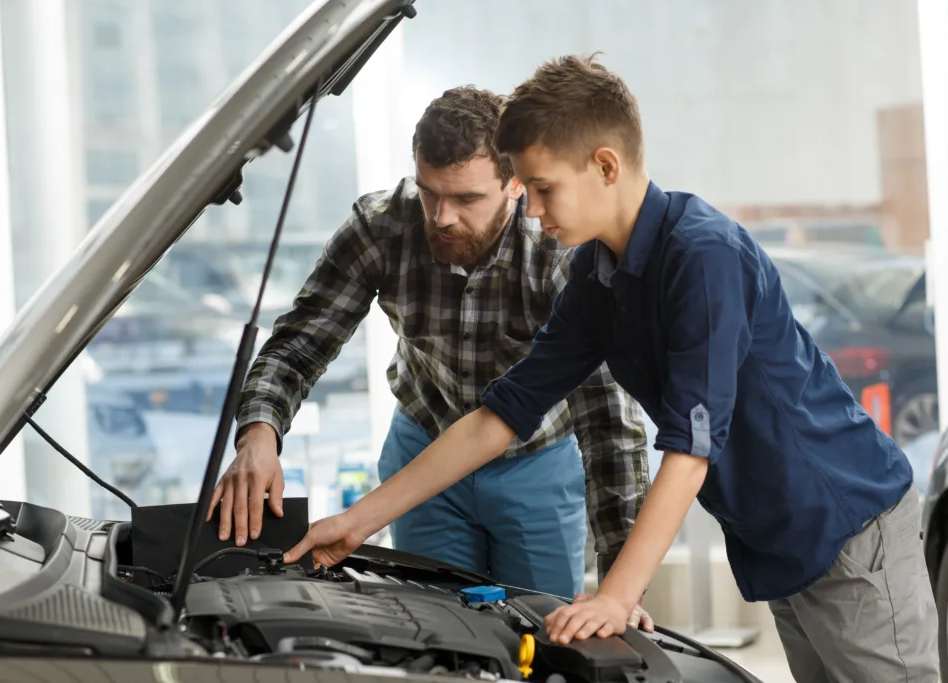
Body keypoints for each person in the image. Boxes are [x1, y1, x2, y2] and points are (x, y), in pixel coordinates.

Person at [281, 56, 940, 682]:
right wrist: (358, 521)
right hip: (777, 540)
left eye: (542, 188)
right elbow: (501, 413)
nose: (532, 211)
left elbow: (690, 449)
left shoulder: (701, 256)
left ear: (604, 165)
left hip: (848, 530)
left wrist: (617, 594)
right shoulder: (598, 275)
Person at [207, 86, 652, 623]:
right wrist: (259, 434)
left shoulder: (561, 252)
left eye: (466, 199)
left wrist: (621, 590)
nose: (441, 217)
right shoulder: (380, 228)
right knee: (435, 632)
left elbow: (608, 424)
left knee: (540, 632)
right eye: (429, 192)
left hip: (535, 465)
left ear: (515, 184)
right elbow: (301, 342)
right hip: (423, 451)